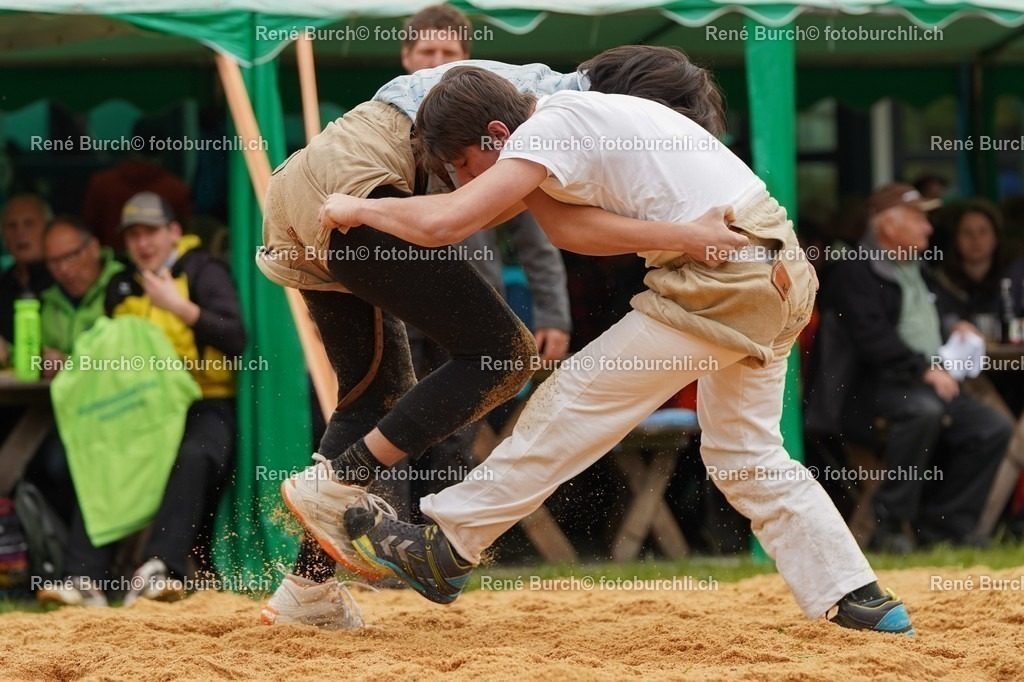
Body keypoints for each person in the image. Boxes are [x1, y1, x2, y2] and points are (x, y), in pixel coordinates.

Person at [315, 62, 915, 634]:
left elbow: (447, 223)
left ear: (498, 134)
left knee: (571, 401)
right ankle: (854, 594)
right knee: (747, 453)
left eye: (466, 164)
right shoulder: (570, 122)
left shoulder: (551, 127)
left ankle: (448, 546)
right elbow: (570, 232)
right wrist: (683, 236)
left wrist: (354, 206)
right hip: (776, 269)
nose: (469, 182)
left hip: (725, 282)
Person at [258, 48, 747, 628]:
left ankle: (305, 593)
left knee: (374, 398)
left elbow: (565, 228)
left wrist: (686, 235)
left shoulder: (554, 109)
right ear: (646, 109)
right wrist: (687, 235)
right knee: (501, 356)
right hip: (357, 183)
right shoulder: (570, 114)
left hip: (307, 189)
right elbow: (449, 223)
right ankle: (335, 483)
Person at [397, 4, 572, 516]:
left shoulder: (489, 131)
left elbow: (537, 224)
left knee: (456, 424)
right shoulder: (379, 122)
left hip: (471, 295)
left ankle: (433, 542)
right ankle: (376, 545)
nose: (434, 60)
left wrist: (553, 314)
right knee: (387, 414)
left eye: (446, 53)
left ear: (464, 60)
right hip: (394, 299)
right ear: (406, 56)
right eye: (426, 51)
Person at [823, 185, 1011, 551]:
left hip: (921, 380)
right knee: (923, 411)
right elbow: (872, 338)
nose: (928, 228)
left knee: (993, 426)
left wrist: (954, 323)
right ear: (888, 227)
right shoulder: (855, 271)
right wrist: (924, 369)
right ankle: (890, 524)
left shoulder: (913, 266)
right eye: (918, 218)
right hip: (870, 388)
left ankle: (945, 526)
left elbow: (932, 312)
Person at [0, 194, 54, 358]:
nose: (20, 233)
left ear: (48, 229)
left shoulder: (64, 279)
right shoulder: (3, 285)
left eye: (29, 224)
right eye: (11, 226)